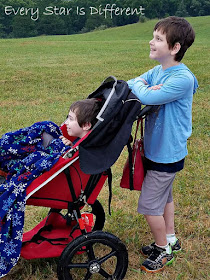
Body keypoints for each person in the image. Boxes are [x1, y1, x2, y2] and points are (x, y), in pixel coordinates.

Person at [127, 16, 198, 273]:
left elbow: (144, 93)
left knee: (149, 206)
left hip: (167, 154)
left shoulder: (182, 79)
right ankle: (170, 239)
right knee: (165, 199)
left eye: (158, 39)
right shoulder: (160, 71)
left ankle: (162, 250)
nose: (151, 42)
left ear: (175, 47)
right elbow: (135, 82)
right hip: (156, 150)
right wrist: (142, 85)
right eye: (153, 36)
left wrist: (144, 87)